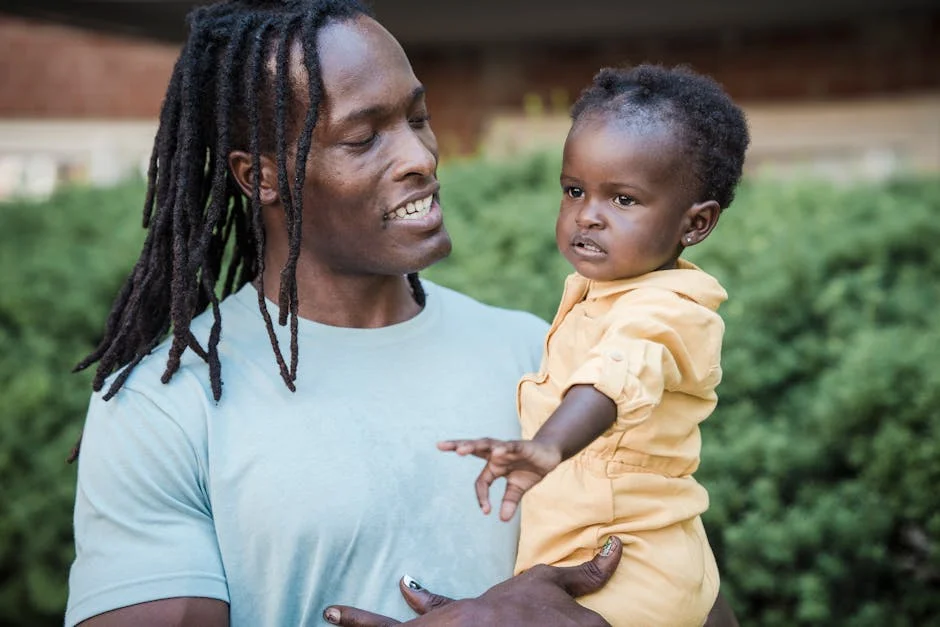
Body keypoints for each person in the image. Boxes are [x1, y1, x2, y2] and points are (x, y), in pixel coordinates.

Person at [64, 1, 738, 625]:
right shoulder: (163, 406)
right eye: (364, 138)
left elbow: (685, 587)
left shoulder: (542, 354)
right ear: (260, 175)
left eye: (417, 118)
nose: (421, 157)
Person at [438, 64, 750, 626]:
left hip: (630, 569)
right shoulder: (602, 290)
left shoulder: (670, 309)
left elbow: (618, 371)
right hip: (586, 552)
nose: (587, 215)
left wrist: (549, 444)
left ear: (696, 224)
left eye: (623, 200)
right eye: (574, 190)